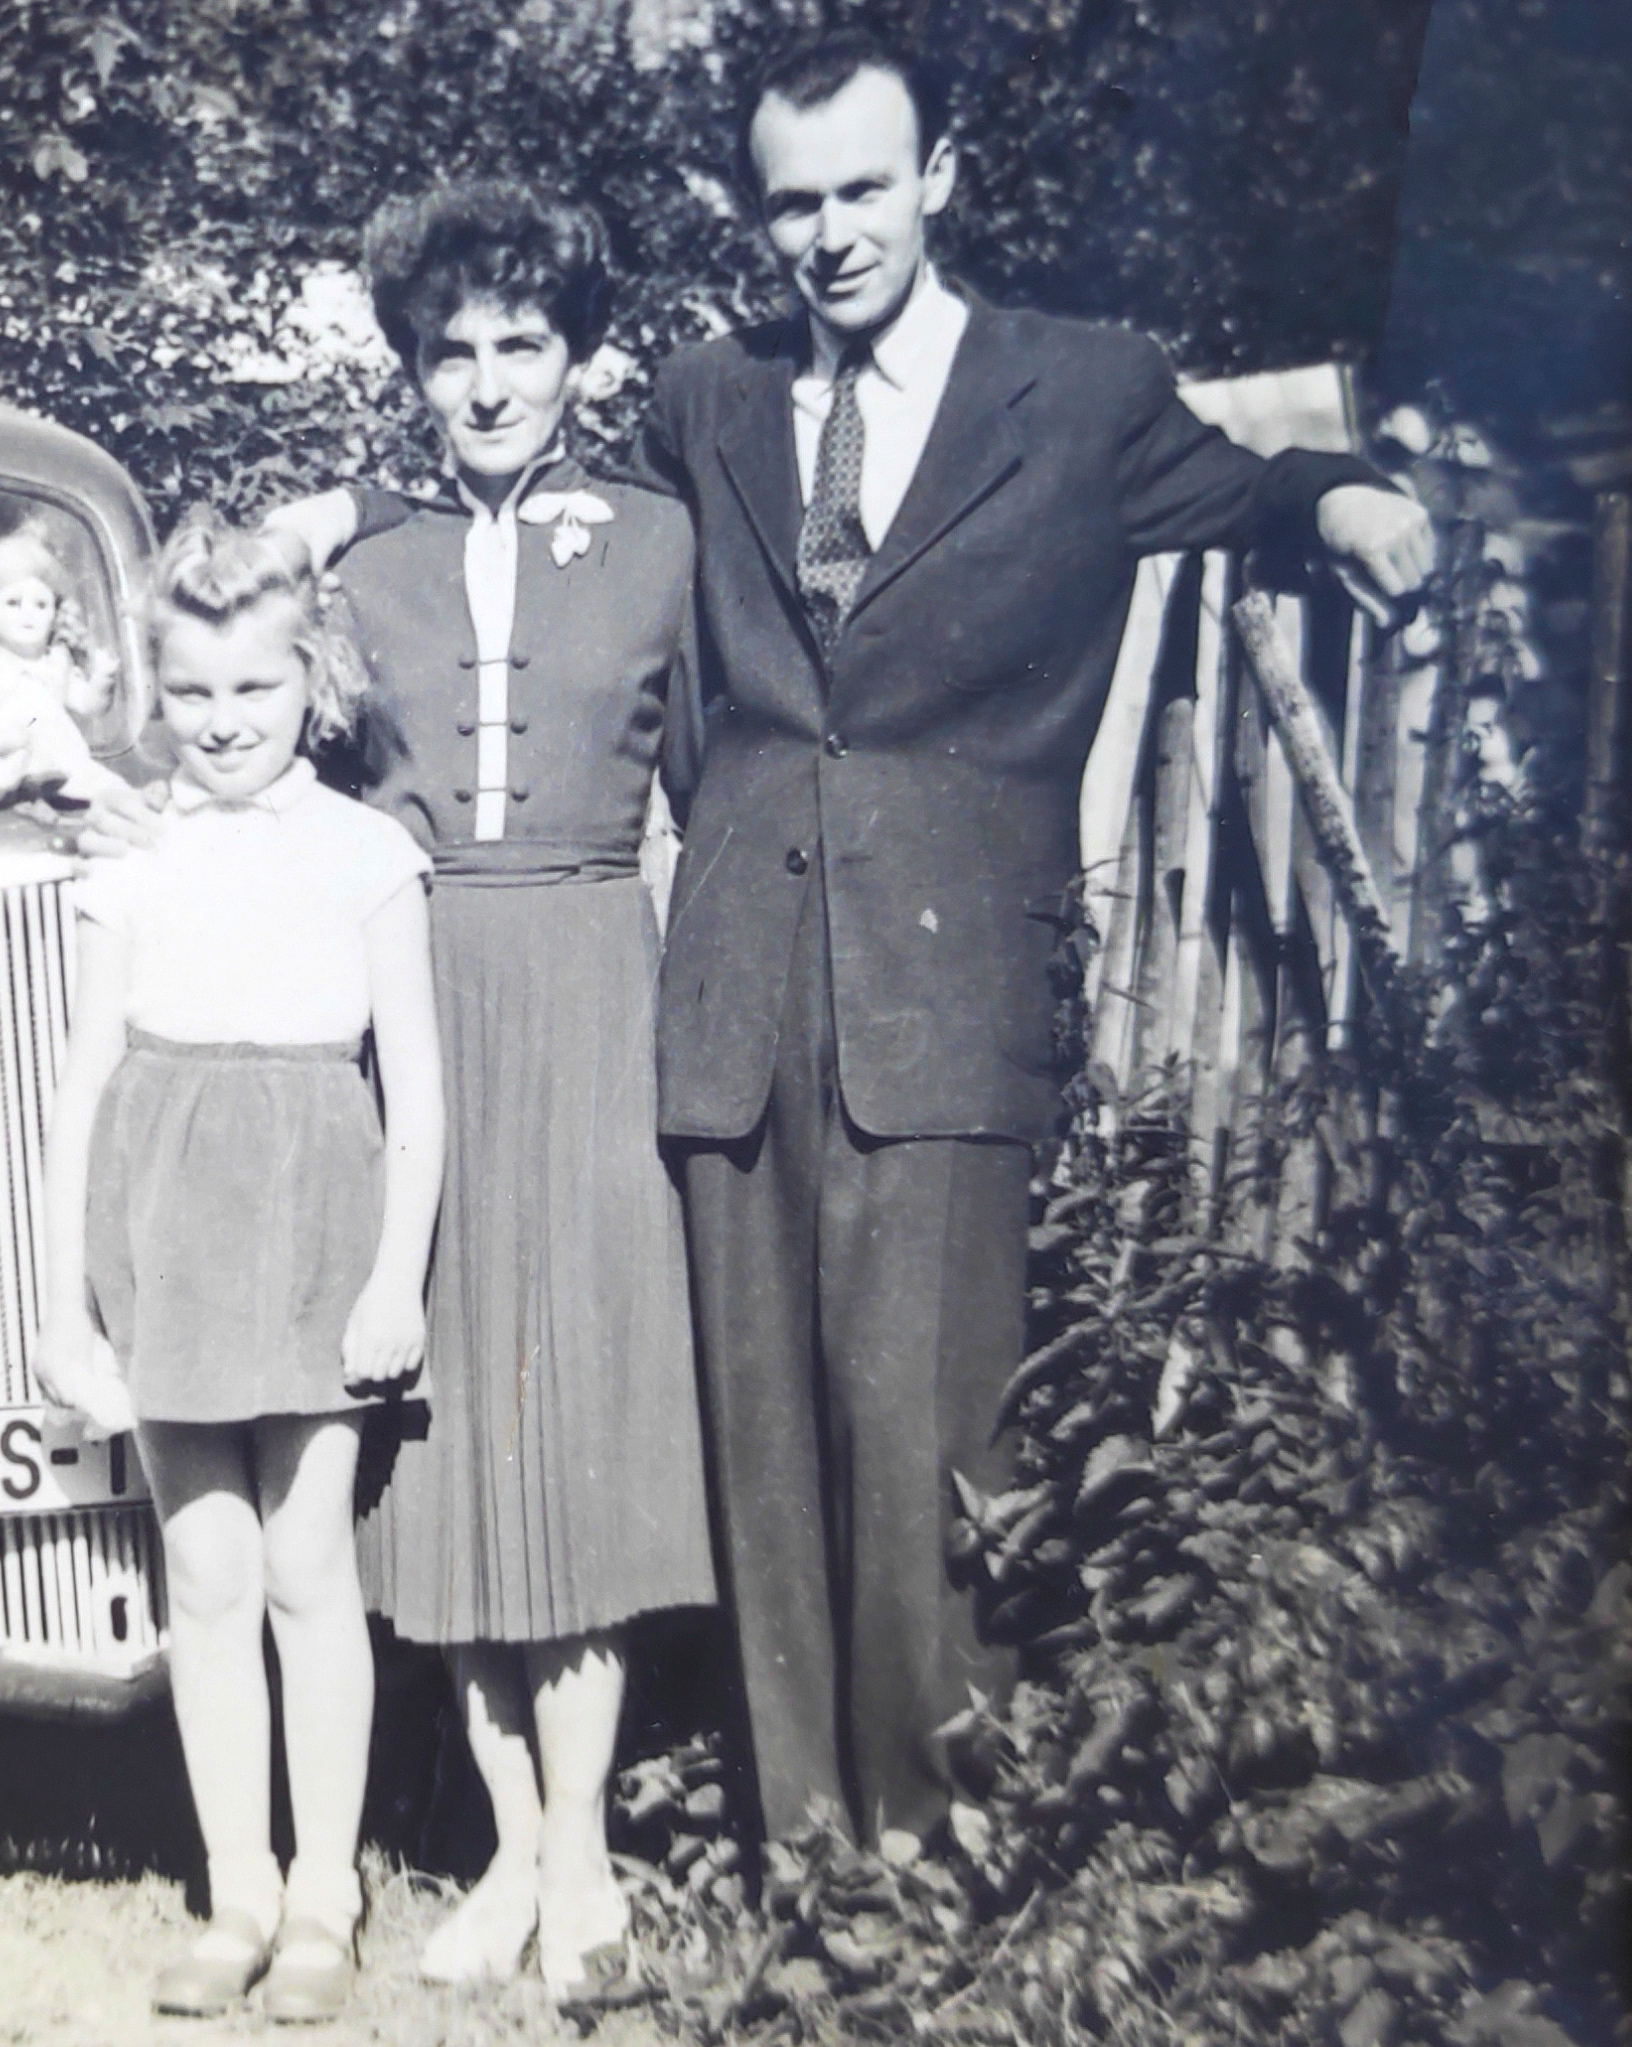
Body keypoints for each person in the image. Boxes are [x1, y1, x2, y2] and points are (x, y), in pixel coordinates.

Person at [627, 27, 1438, 1850]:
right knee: (761, 1438)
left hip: (945, 977)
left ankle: (930, 1856)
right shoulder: (705, 396)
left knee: (926, 1436)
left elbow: (1244, 488)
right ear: (757, 216)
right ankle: (800, 1862)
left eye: (863, 188)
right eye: (792, 203)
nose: (831, 234)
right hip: (738, 985)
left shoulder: (1076, 392)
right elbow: (586, 559)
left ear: (938, 177)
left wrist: (1346, 495)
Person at [261, 184, 720, 2006]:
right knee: (446, 1436)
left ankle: (580, 1848)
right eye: (448, 350)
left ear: (578, 354)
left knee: (574, 1420)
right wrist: (307, 528)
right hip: (420, 990)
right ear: (409, 368)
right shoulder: (355, 560)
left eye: (520, 342)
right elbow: (220, 705)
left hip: (598, 988)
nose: (484, 380)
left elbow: (719, 787)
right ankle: (510, 1845)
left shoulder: (666, 542)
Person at [34, 516, 443, 2024]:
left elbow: (417, 1088)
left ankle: (326, 1892)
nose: (221, 722)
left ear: (312, 681)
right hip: (163, 1222)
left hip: (315, 1214)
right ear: (158, 690)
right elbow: (81, 1082)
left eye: (253, 690)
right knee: (203, 1571)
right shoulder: (132, 855)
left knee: (304, 1560)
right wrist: (57, 1297)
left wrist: (395, 1276)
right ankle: (237, 1890)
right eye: (193, 693)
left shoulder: (367, 854)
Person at [0, 528, 130, 820]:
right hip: (0, 756)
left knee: (95, 781)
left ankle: (128, 801)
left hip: (54, 764)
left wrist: (103, 679)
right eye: (13, 603)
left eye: (40, 604)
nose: (28, 614)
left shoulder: (57, 663)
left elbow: (88, 704)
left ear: (56, 614)